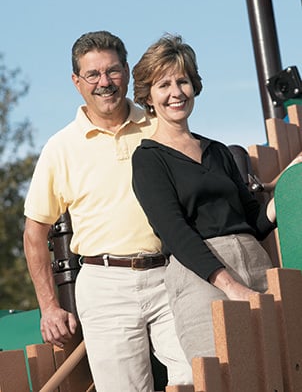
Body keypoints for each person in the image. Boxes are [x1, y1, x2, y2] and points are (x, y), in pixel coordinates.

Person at [23, 30, 193, 391]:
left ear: (128, 72)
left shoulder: (157, 124)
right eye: (93, 75)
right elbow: (34, 233)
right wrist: (49, 307)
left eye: (113, 71)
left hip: (171, 275)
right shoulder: (60, 148)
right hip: (104, 285)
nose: (105, 82)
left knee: (196, 375)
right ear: (76, 82)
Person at [131, 33, 302, 363]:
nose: (176, 92)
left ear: (194, 86)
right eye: (163, 84)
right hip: (201, 278)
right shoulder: (148, 159)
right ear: (148, 97)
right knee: (225, 374)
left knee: (280, 368)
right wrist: (231, 286)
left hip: (256, 263)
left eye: (182, 81)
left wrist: (290, 187)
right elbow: (175, 233)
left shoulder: (219, 151)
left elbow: (254, 221)